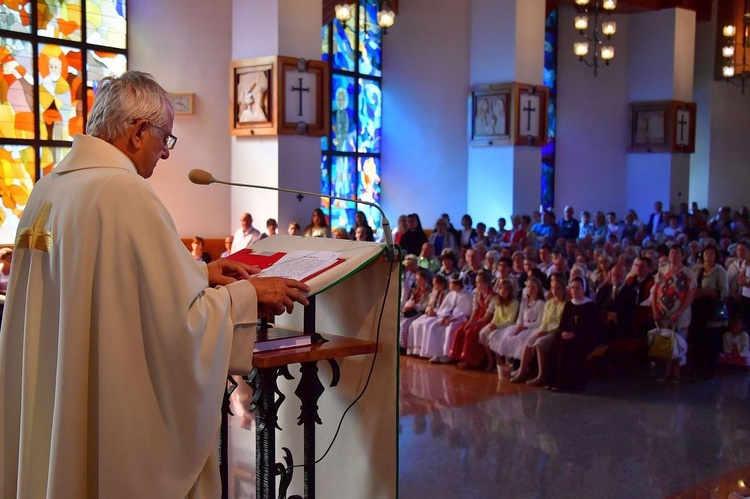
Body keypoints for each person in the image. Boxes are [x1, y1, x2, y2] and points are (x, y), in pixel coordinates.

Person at [0, 71, 310, 498]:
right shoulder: (123, 191)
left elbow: (98, 284)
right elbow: (175, 325)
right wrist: (248, 295)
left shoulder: (49, 188)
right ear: (138, 131)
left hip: (53, 395)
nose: (165, 153)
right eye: (165, 138)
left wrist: (199, 273)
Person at [545, 276, 599, 392]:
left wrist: (574, 334)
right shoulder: (569, 304)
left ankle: (565, 383)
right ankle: (552, 381)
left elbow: (591, 328)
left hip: (584, 338)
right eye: (572, 288)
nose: (574, 291)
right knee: (554, 345)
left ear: (583, 289)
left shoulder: (590, 306)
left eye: (578, 288)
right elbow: (563, 323)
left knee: (567, 347)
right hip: (569, 335)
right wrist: (564, 332)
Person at [651, 245, 696, 382]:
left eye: (677, 253)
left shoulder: (688, 273)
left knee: (679, 342)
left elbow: (690, 294)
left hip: (679, 314)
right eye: (672, 252)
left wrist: (679, 311)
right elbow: (655, 291)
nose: (674, 255)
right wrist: (655, 310)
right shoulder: (662, 270)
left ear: (682, 256)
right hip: (663, 312)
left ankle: (676, 371)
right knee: (665, 342)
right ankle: (666, 370)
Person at [689, 245, 728, 379]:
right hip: (697, 309)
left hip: (711, 309)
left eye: (712, 252)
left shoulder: (719, 271)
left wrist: (705, 292)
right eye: (706, 252)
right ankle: (697, 368)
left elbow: (723, 291)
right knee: (697, 339)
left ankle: (709, 369)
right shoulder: (696, 269)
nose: (709, 255)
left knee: (710, 341)